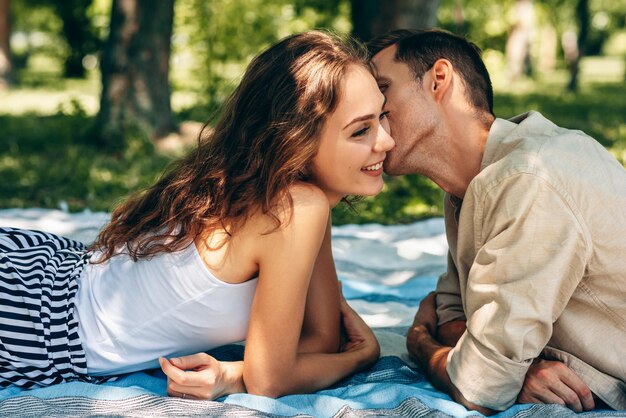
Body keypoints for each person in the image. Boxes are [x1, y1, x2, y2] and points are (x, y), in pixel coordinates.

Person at [0, 30, 394, 399]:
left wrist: (235, 373)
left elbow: (318, 340)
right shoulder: (295, 207)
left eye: (381, 116)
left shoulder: (301, 201)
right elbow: (273, 377)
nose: (386, 140)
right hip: (33, 321)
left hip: (51, 283)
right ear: (296, 140)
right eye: (360, 131)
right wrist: (360, 357)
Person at [368, 28, 626, 414]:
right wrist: (520, 368)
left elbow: (479, 385)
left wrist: (420, 342)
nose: (371, 111)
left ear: (439, 79)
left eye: (382, 89)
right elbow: (453, 313)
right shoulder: (470, 185)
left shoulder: (527, 179)